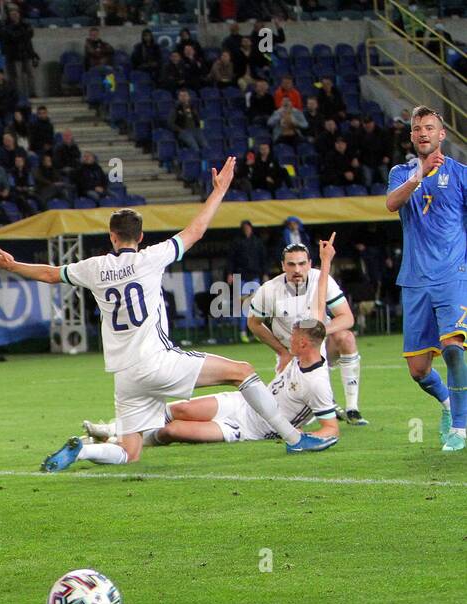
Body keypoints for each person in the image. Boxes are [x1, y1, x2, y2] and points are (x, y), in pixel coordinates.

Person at [0, 157, 337, 472]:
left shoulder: (92, 267)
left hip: (125, 375)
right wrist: (219, 191)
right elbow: (196, 231)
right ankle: (294, 438)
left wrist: (13, 264)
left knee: (129, 452)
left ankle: (85, 452)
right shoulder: (150, 257)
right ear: (140, 236)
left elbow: (50, 274)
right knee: (243, 372)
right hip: (158, 361)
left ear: (111, 237)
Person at [86, 238, 342, 450]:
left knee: (171, 431)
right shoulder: (305, 349)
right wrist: (326, 261)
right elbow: (319, 304)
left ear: (306, 343)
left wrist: (302, 435)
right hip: (243, 402)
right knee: (181, 409)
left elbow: (332, 429)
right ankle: (112, 428)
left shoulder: (317, 381)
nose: (288, 338)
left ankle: (112, 443)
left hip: (251, 427)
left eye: (294, 336)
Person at [385, 105, 467, 451]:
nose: (422, 133)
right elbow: (391, 204)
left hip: (452, 274)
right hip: (415, 279)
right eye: (417, 128)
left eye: (429, 128)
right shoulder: (400, 173)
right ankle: (449, 407)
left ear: (441, 134)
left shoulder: (462, 174)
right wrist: (417, 175)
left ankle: (462, 429)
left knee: (454, 348)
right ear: (411, 135)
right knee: (419, 370)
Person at [247, 240, 366, 424]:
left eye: (302, 263)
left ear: (310, 264)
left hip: (322, 345)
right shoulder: (269, 290)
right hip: (292, 354)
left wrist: (316, 332)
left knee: (346, 337)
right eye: (291, 264)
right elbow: (254, 323)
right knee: (288, 418)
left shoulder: (321, 279)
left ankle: (352, 409)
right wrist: (282, 352)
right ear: (282, 266)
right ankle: (324, 404)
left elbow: (347, 318)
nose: (297, 269)